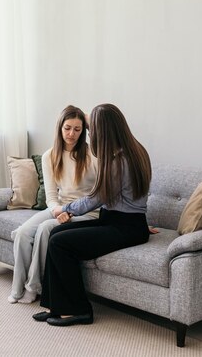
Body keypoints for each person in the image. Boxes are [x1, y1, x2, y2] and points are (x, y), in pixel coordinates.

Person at [32, 103, 152, 326]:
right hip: (121, 222)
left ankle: (78, 310)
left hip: (124, 227)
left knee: (61, 243)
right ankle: (55, 306)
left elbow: (95, 199)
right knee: (55, 233)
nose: (89, 134)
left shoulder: (119, 162)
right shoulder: (134, 150)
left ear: (104, 131)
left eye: (91, 129)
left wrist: (63, 208)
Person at [8, 105, 99, 304]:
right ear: (59, 128)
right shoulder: (50, 155)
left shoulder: (93, 156)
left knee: (44, 229)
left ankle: (34, 286)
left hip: (88, 212)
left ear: (84, 130)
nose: (71, 134)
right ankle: (17, 286)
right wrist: (58, 211)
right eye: (67, 128)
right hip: (59, 207)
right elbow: (51, 195)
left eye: (77, 129)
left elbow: (102, 195)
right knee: (23, 233)